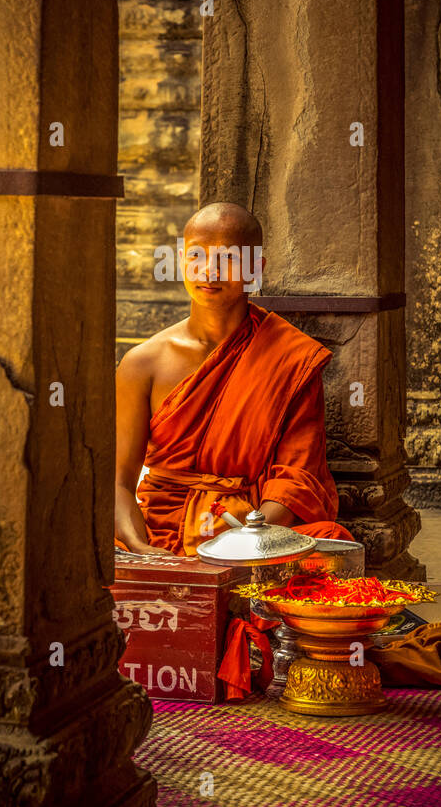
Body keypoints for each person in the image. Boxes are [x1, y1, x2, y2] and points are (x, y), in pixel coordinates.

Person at [114, 202, 352, 555]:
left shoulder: (289, 357)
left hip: (253, 530)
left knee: (331, 543)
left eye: (228, 259)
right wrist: (138, 547)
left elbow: (296, 479)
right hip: (162, 532)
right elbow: (117, 481)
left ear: (255, 269)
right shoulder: (142, 363)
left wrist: (244, 543)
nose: (209, 271)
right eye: (197, 255)